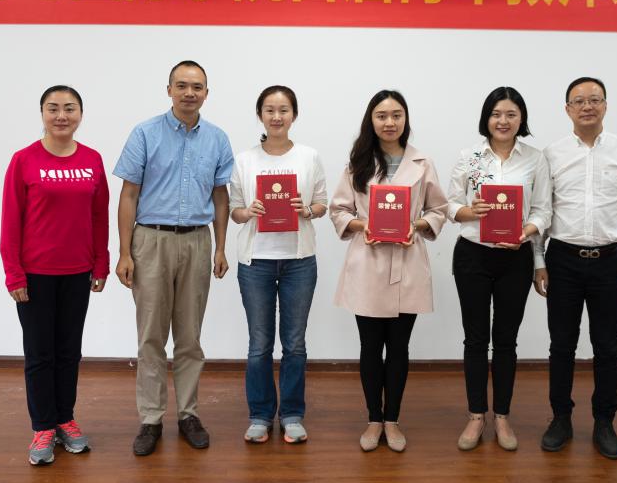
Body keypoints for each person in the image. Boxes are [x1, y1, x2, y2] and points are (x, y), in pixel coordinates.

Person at [113, 60, 234, 454]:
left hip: (197, 242)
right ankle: (150, 419)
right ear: (169, 90)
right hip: (151, 241)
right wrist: (124, 251)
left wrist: (220, 246)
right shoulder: (145, 133)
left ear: (206, 93)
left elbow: (220, 196)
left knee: (189, 336)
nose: (189, 93)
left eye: (196, 87)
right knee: (151, 336)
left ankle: (188, 414)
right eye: (181, 85)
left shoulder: (217, 138)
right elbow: (129, 194)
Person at [535, 76, 617, 460]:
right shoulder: (551, 154)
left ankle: (604, 421)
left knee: (607, 346)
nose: (587, 106)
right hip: (562, 261)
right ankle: (561, 418)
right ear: (567, 109)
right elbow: (541, 211)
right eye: (579, 101)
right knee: (561, 345)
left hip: (610, 262)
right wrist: (538, 260)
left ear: (605, 105)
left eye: (595, 99)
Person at [329, 89, 448, 453]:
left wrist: (418, 225)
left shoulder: (422, 162)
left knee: (398, 347)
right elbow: (339, 210)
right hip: (368, 263)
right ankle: (373, 419)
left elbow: (438, 209)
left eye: (396, 115)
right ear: (371, 120)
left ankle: (392, 420)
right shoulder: (358, 163)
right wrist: (361, 224)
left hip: (407, 262)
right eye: (381, 116)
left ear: (405, 119)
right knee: (370, 347)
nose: (390, 122)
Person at [0, 85, 109, 466]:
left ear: (80, 113)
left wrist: (101, 262)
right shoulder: (24, 160)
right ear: (42, 113)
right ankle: (43, 426)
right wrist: (14, 273)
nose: (62, 115)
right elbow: (11, 220)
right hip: (35, 274)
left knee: (68, 352)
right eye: (53, 108)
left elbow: (99, 216)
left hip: (78, 272)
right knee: (39, 353)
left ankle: (65, 419)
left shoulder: (92, 160)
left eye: (69, 108)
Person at [447, 86, 551, 452]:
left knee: (506, 340)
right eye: (496, 114)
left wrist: (527, 233)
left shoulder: (536, 159)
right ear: (486, 118)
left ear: (521, 119)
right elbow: (449, 205)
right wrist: (468, 211)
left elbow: (543, 210)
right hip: (472, 256)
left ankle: (502, 416)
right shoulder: (470, 157)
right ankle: (476, 415)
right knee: (475, 340)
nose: (502, 121)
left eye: (510, 114)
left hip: (515, 258)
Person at [229, 85, 328, 445]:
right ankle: (259, 415)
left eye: (283, 110)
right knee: (259, 344)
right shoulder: (245, 160)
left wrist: (307, 209)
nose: (276, 116)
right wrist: (249, 211)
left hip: (298, 261)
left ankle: (292, 414)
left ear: (294, 115)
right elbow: (235, 211)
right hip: (256, 261)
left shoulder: (309, 156)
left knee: (295, 343)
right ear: (260, 115)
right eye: (269, 110)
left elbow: (322, 203)